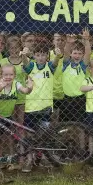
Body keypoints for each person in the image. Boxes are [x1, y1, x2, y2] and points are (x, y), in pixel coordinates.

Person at [23, 43, 61, 172]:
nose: (40, 57)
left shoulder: (49, 67)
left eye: (43, 55)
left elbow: (55, 62)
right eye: (37, 55)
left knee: (43, 135)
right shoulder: (31, 66)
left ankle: (43, 157)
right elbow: (26, 64)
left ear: (47, 56)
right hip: (31, 107)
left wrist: (58, 55)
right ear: (34, 56)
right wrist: (23, 54)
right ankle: (29, 160)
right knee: (29, 136)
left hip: (45, 107)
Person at [0, 64, 32, 166]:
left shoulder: (16, 84)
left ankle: (6, 158)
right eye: (6, 74)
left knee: (6, 138)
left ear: (14, 75)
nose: (8, 77)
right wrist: (1, 87)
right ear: (1, 75)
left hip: (8, 116)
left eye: (11, 74)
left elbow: (25, 91)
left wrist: (30, 87)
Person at [60, 29, 91, 123]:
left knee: (79, 125)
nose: (77, 55)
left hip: (79, 99)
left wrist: (86, 40)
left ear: (82, 55)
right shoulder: (66, 64)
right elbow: (65, 51)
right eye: (75, 53)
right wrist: (69, 42)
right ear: (71, 54)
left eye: (80, 53)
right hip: (66, 98)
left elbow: (88, 53)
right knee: (65, 125)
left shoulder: (82, 65)